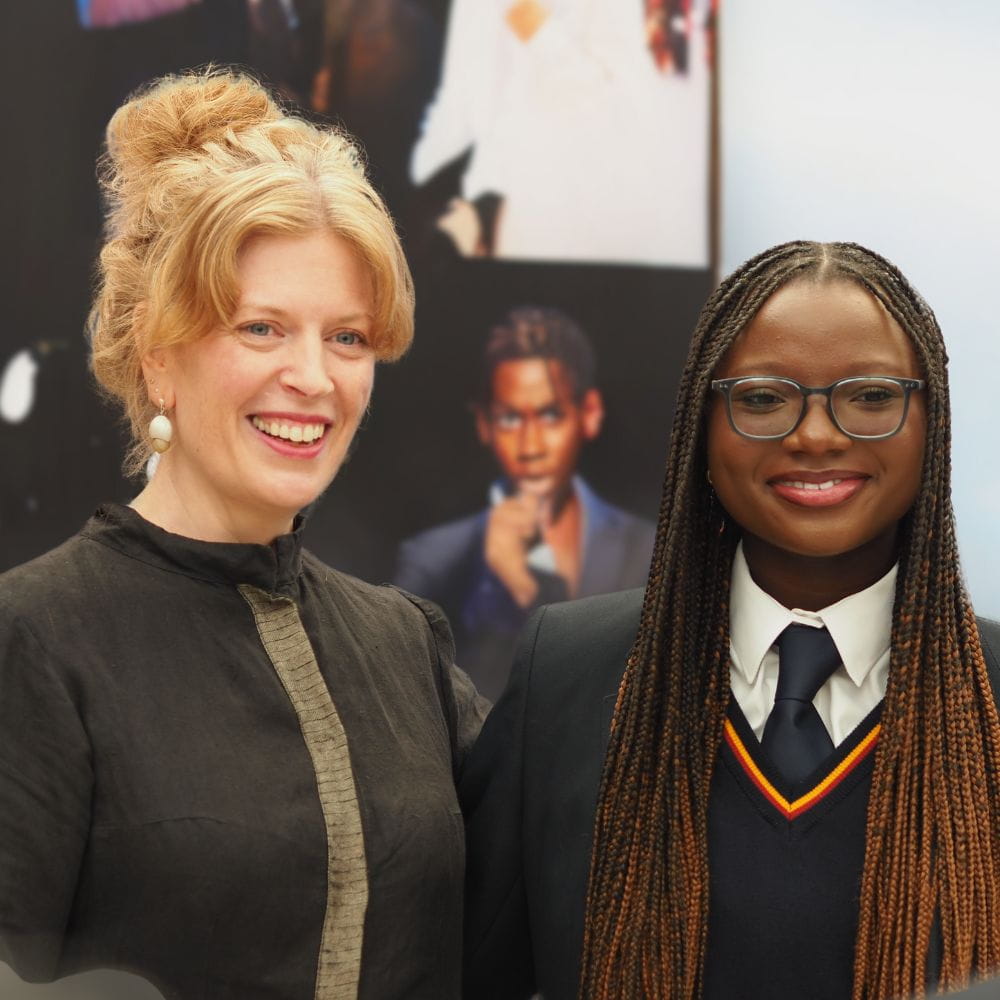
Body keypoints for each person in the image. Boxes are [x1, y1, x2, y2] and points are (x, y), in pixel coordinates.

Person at [0, 69, 487, 1000]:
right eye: (261, 328)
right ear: (159, 356)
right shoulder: (33, 640)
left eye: (346, 337)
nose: (313, 376)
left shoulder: (405, 645)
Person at [461, 241, 1000, 1000]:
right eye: (762, 397)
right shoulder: (567, 678)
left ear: (931, 425)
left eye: (873, 396)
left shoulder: (991, 702)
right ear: (701, 427)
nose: (815, 434)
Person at [394, 306, 655, 700]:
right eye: (511, 419)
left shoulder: (650, 550)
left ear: (589, 413)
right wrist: (503, 600)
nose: (531, 447)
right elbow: (412, 708)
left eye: (551, 415)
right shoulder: (432, 561)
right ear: (484, 423)